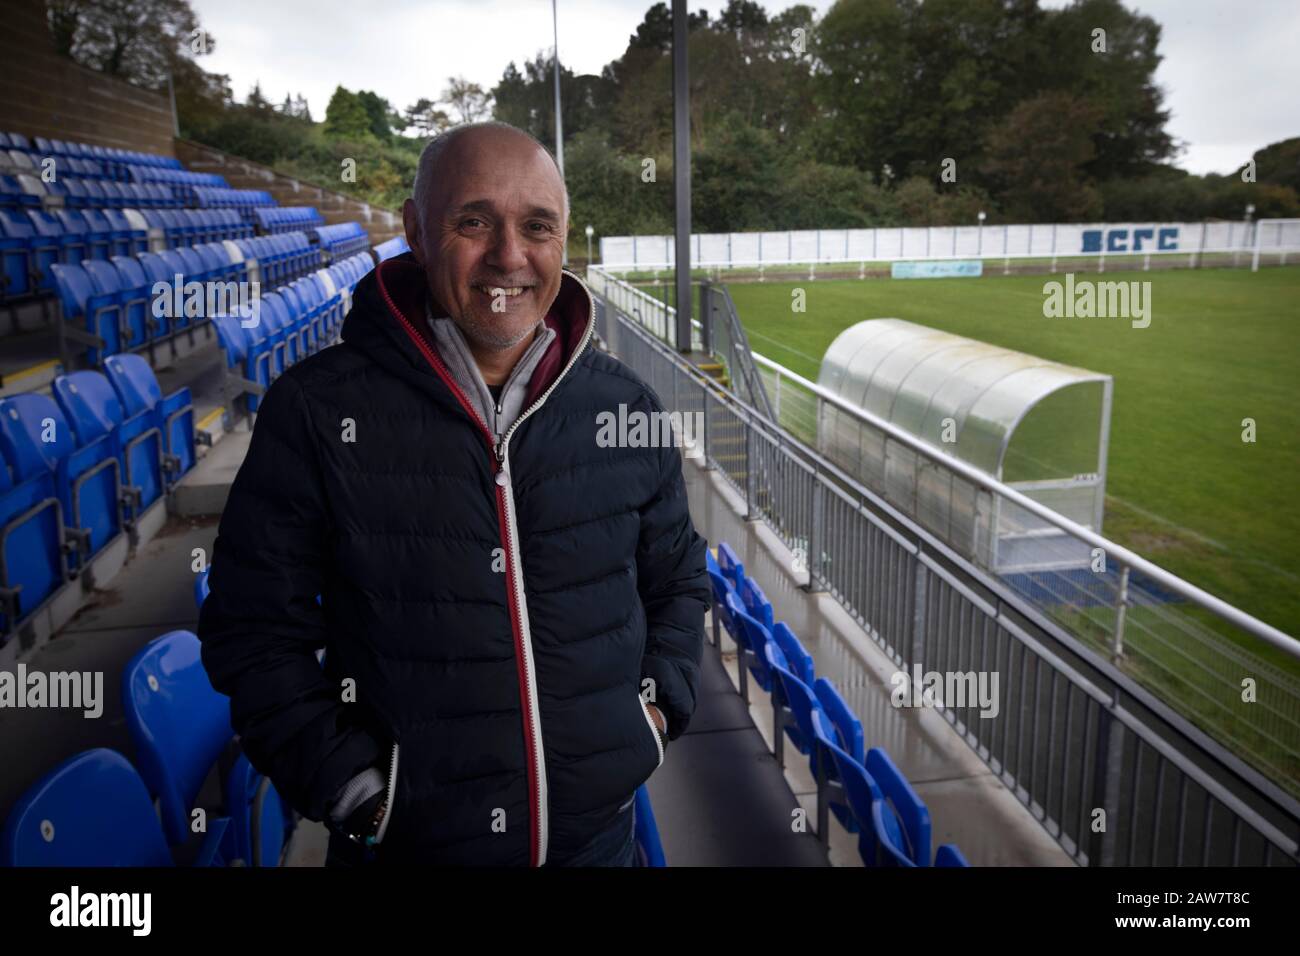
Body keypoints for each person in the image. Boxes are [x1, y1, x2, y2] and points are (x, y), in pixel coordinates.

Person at [197, 121, 710, 866]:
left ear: (563, 241)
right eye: (474, 221)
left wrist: (655, 716)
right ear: (415, 231)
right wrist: (355, 791)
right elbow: (250, 632)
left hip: (599, 848)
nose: (509, 255)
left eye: (537, 226)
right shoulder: (315, 413)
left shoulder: (624, 409)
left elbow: (680, 581)